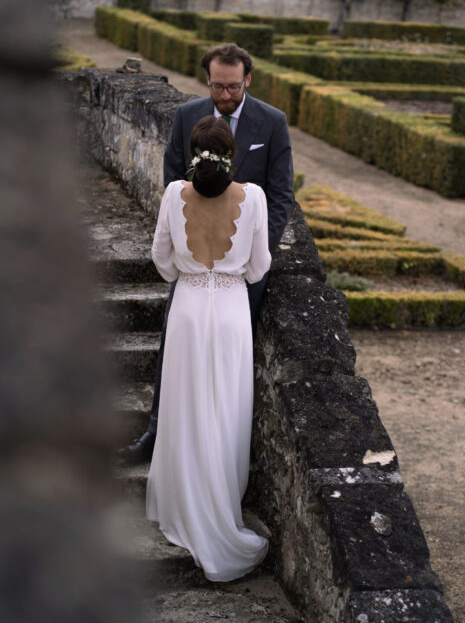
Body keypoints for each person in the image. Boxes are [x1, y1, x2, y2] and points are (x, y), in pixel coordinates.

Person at [118, 42, 294, 463]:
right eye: (217, 86)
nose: (225, 95)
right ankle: (157, 434)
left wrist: (250, 256)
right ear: (208, 79)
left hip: (239, 274)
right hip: (193, 268)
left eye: (233, 87)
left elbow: (281, 196)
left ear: (247, 79)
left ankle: (219, 454)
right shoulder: (186, 115)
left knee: (228, 368)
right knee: (175, 356)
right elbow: (173, 181)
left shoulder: (272, 122)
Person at [146, 115, 271, 581]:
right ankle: (220, 502)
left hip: (188, 311)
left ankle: (183, 500)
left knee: (186, 406)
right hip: (232, 315)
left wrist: (190, 273)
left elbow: (161, 260)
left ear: (192, 155)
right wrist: (228, 274)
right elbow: (259, 267)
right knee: (225, 409)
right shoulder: (254, 198)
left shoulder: (173, 194)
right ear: (231, 154)